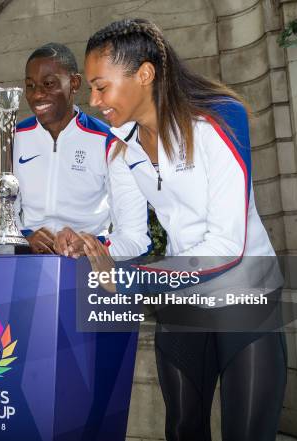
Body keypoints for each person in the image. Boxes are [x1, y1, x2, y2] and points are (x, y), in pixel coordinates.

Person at [81, 19, 286, 441]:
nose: (93, 99)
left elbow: (227, 246)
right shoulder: (120, 151)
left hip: (247, 294)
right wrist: (88, 248)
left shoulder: (219, 119)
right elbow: (134, 238)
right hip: (182, 300)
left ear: (144, 74)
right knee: (182, 429)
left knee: (248, 432)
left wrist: (131, 280)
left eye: (101, 86)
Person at [14, 42, 150, 257]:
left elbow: (136, 238)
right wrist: (23, 238)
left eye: (49, 84)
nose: (37, 95)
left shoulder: (109, 141)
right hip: (29, 263)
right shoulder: (13, 138)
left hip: (87, 268)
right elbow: (2, 219)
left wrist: (89, 245)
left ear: (74, 83)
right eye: (30, 85)